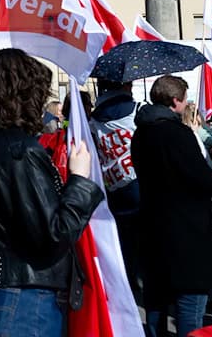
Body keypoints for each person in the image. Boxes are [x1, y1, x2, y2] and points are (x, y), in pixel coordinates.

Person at [0, 48, 104, 336]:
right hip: (24, 296)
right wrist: (80, 180)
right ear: (24, 94)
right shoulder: (18, 151)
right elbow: (53, 234)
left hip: (6, 291)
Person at [132, 75, 212, 337]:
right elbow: (199, 176)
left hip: (153, 223)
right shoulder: (177, 134)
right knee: (190, 306)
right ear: (176, 101)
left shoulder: (141, 133)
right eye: (185, 99)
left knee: (156, 302)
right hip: (186, 229)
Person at [89, 78, 143, 299]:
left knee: (123, 238)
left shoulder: (93, 118)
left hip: (112, 183)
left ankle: (128, 280)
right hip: (138, 180)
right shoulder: (137, 110)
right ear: (126, 86)